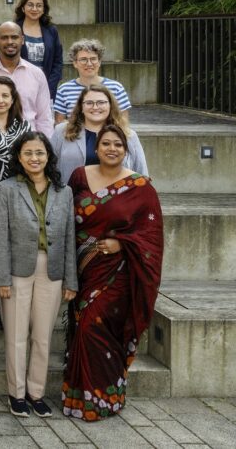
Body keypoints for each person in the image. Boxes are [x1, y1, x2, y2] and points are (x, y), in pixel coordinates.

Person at [62, 125, 163, 422]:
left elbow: (152, 236)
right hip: (82, 269)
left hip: (118, 273)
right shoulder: (80, 175)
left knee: (95, 327)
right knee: (81, 326)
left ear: (126, 149)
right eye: (106, 143)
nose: (111, 149)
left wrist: (122, 243)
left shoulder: (140, 187)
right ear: (97, 147)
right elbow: (67, 216)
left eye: (118, 145)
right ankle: (78, 398)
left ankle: (104, 398)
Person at [0, 131, 77, 418]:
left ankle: (36, 392)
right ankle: (16, 394)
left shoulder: (63, 191)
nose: (34, 158)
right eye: (28, 153)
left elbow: (69, 237)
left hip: (51, 271)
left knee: (42, 336)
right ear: (19, 156)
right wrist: (1, 278)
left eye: (40, 153)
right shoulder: (6, 189)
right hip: (17, 270)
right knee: (16, 335)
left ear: (49, 156)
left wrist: (71, 279)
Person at [0, 22, 54, 137]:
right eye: (4, 38)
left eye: (14, 37)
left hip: (29, 144)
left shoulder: (37, 74)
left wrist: (44, 147)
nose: (10, 42)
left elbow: (44, 117)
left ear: (22, 40)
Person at [51, 84, 148, 182]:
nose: (95, 107)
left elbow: (141, 172)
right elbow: (49, 166)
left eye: (101, 102)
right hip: (72, 195)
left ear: (110, 105)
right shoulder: (62, 131)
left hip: (117, 195)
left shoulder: (128, 135)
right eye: (89, 103)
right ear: (81, 107)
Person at [54, 39, 132, 123]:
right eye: (83, 59)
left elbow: (123, 121)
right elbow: (59, 123)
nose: (89, 64)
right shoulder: (64, 90)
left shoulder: (116, 88)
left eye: (93, 59)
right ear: (75, 63)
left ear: (99, 62)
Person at [15, 0, 63, 98]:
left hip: (47, 88)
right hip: (19, 89)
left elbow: (57, 62)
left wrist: (48, 88)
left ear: (43, 9)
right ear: (23, 8)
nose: (34, 9)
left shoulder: (52, 31)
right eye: (30, 5)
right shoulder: (14, 29)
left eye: (39, 6)